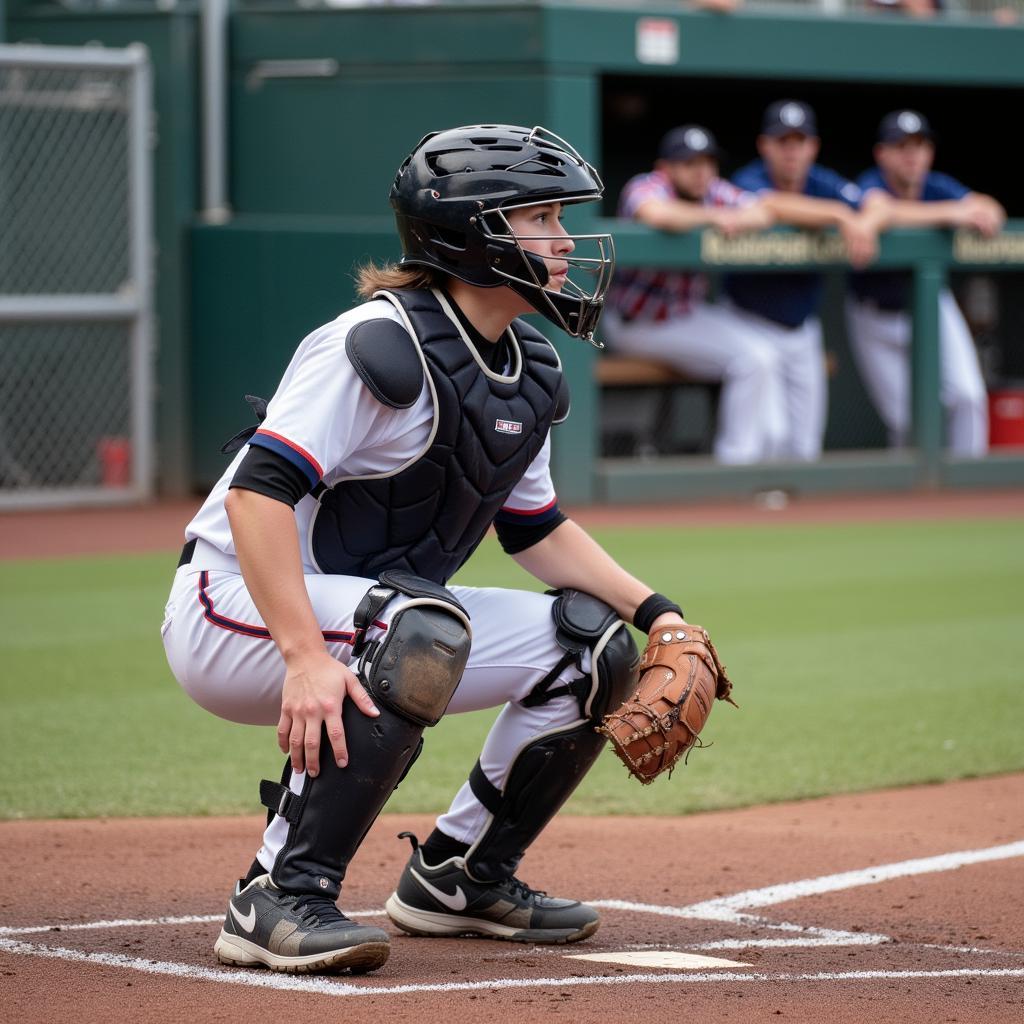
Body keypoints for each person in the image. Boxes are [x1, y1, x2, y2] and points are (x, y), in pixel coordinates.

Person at [160, 124, 696, 977]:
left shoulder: (529, 365)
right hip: (232, 609)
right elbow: (257, 495)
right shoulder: (374, 344)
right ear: (472, 232)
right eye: (542, 217)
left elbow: (535, 528)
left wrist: (659, 611)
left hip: (369, 615)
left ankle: (459, 876)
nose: (564, 241)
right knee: (418, 630)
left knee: (590, 648)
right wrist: (302, 655)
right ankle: (275, 894)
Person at [601, 124, 784, 464]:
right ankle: (737, 466)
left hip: (685, 316)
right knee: (750, 359)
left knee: (767, 352)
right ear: (665, 168)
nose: (701, 172)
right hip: (638, 323)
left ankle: (772, 455)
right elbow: (658, 214)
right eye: (689, 164)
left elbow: (763, 211)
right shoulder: (647, 185)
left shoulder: (714, 191)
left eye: (707, 163)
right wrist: (719, 217)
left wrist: (740, 218)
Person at [721, 100, 891, 461]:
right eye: (782, 141)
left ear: (812, 146)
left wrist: (866, 220)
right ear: (765, 144)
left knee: (805, 445)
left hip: (802, 328)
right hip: (747, 320)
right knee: (771, 436)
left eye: (799, 141)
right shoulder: (747, 179)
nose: (791, 150)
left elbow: (875, 202)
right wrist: (841, 215)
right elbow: (770, 205)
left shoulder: (821, 182)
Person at [846, 110, 1005, 456]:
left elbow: (988, 206)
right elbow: (881, 211)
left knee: (967, 396)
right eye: (901, 146)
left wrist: (984, 211)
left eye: (919, 145)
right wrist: (951, 213)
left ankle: (968, 486)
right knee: (907, 420)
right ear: (882, 154)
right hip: (876, 315)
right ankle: (913, 501)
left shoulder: (937, 186)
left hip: (932, 308)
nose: (912, 155)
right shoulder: (869, 183)